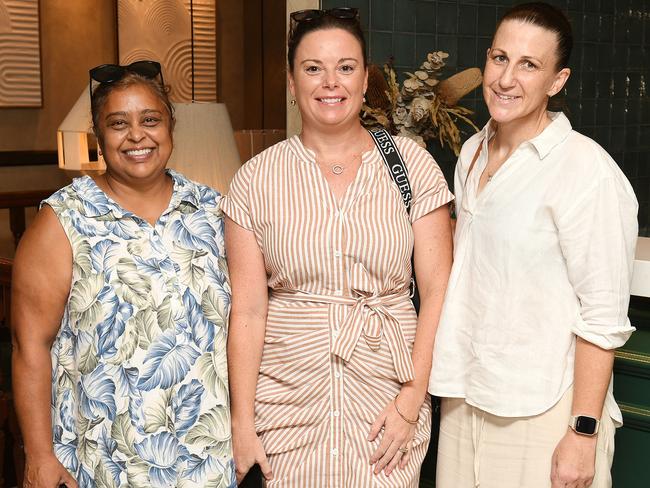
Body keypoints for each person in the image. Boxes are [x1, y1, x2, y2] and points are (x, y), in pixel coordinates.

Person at [222, 7, 453, 487]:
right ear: (291, 82)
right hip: (285, 405)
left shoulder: (410, 165)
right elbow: (247, 311)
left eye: (345, 67)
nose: (331, 82)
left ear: (365, 79)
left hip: (386, 399)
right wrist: (243, 423)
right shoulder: (255, 180)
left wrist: (412, 400)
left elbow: (438, 292)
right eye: (313, 68)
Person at [428, 3, 638, 488]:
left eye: (529, 65)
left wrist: (581, 433)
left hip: (544, 409)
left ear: (557, 81)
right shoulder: (471, 151)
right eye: (501, 58)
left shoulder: (585, 170)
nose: (506, 78)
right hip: (466, 396)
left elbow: (603, 318)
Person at [11, 61, 235, 488]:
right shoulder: (62, 221)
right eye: (118, 124)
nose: (137, 135)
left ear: (171, 125)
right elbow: (29, 346)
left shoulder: (212, 211)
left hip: (207, 462)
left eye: (150, 120)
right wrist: (39, 455)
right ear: (99, 136)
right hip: (102, 461)